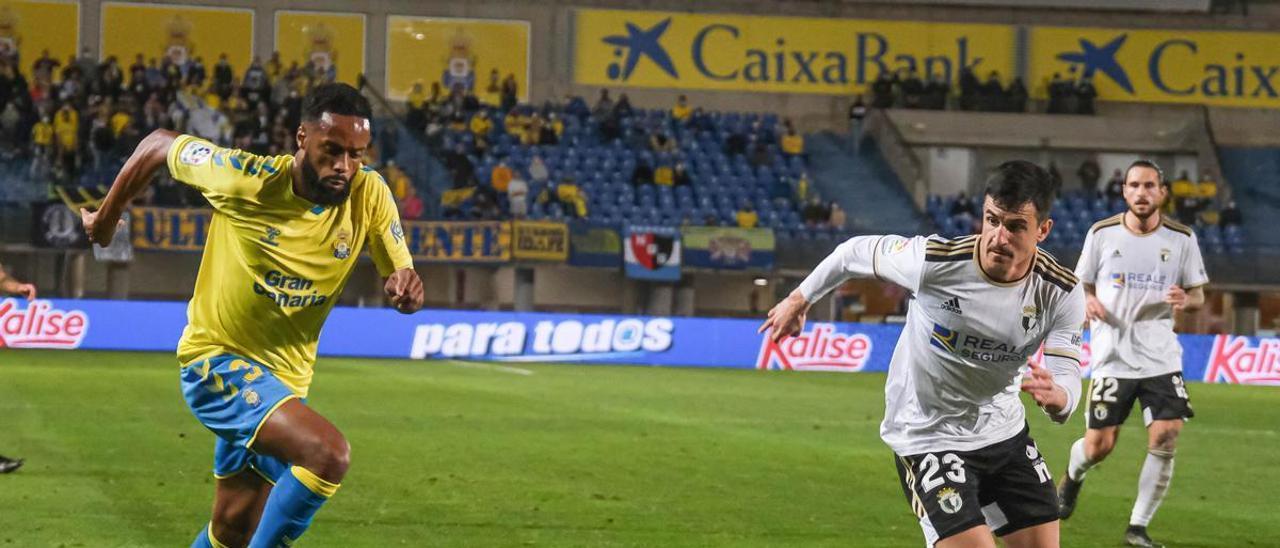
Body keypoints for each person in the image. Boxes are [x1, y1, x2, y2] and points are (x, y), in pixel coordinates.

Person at [79, 83, 425, 547]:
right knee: (327, 454)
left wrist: (405, 284)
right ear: (302, 139)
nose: (344, 166)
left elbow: (400, 267)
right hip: (216, 361)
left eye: (357, 154)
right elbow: (158, 144)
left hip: (284, 384)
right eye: (333, 151)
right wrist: (106, 219)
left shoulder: (369, 193)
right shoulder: (246, 179)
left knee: (231, 531)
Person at [760, 160, 1085, 548]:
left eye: (1016, 226)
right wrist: (800, 298)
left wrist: (1062, 400)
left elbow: (1067, 371)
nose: (999, 237)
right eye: (992, 220)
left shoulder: (1061, 293)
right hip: (927, 433)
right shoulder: (934, 262)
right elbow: (852, 252)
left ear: (1043, 230)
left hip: (1003, 431)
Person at [1058, 160, 1208, 548]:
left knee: (1167, 434)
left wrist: (1185, 299)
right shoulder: (1102, 234)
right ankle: (1073, 476)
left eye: (1150, 185)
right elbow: (1081, 284)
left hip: (1161, 355)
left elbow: (1198, 294)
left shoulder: (1181, 238)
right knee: (1099, 446)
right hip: (1113, 356)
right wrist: (1089, 299)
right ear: (1124, 191)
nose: (1142, 192)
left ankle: (1137, 528)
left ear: (1162, 191)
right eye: (1134, 185)